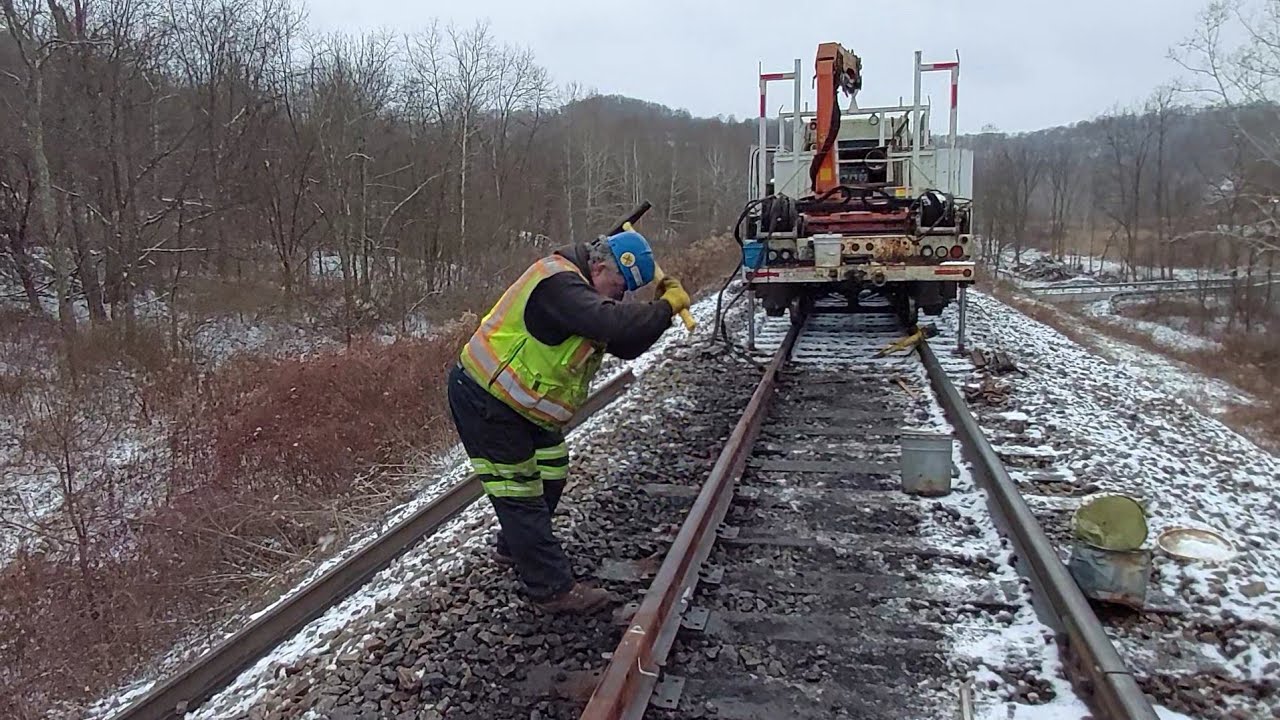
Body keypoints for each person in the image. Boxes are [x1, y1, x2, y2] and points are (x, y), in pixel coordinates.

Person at [446, 229, 692, 613]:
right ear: (599, 267)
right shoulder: (559, 284)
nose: (619, 297)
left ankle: (515, 547)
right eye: (618, 286)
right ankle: (551, 589)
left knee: (552, 469)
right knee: (520, 491)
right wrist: (664, 308)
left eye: (626, 292)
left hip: (522, 405)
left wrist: (661, 314)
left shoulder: (586, 291)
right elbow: (615, 325)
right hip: (486, 397)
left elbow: (626, 344)